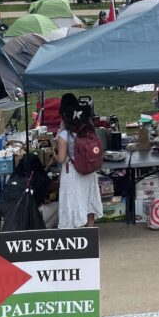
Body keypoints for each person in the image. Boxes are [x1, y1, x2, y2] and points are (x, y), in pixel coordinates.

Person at [55, 93, 104, 229]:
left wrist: (54, 154)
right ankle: (90, 232)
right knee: (89, 201)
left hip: (72, 173)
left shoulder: (64, 134)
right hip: (89, 171)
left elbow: (61, 158)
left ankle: (76, 236)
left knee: (73, 204)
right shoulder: (86, 128)